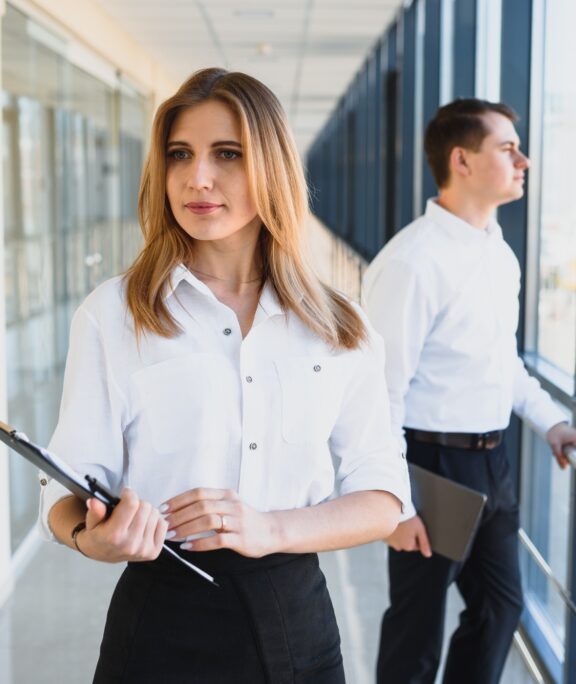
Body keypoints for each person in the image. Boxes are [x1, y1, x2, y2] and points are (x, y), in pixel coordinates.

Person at [39, 67, 410, 683]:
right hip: (159, 621)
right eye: (180, 154)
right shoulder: (114, 313)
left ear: (272, 168)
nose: (198, 178)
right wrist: (89, 537)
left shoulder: (339, 324)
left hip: (296, 625)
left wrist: (270, 528)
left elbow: (383, 498)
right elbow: (66, 487)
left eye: (227, 154)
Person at [364, 98, 576, 684]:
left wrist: (550, 421)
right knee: (416, 632)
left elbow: (501, 363)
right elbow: (378, 393)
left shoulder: (498, 254)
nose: (524, 161)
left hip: (492, 460)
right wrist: (396, 504)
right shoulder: (411, 262)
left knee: (499, 608)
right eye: (508, 148)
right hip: (431, 464)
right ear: (461, 161)